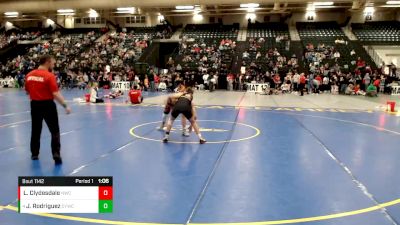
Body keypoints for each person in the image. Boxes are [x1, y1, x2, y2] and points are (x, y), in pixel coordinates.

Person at [25, 55, 71, 164]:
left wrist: (36, 94)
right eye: (53, 63)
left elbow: (27, 91)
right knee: (54, 131)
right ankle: (56, 154)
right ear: (47, 62)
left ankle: (34, 154)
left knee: (36, 130)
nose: (53, 65)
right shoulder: (49, 76)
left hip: (35, 105)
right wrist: (65, 105)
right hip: (48, 105)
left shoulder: (29, 75)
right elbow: (55, 94)